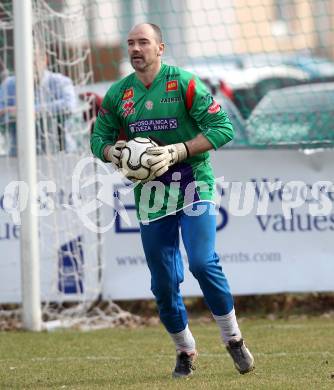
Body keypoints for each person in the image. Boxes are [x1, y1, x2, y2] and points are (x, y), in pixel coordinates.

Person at [91, 23, 254, 378]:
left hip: (194, 183)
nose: (136, 48)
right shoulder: (119, 94)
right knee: (163, 282)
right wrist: (113, 151)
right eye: (131, 43)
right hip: (151, 194)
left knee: (201, 261)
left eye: (143, 42)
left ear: (160, 48)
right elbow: (98, 139)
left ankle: (233, 338)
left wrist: (179, 150)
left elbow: (222, 128)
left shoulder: (183, 83)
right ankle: (185, 349)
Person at [0, 46, 77, 156]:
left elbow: (69, 106)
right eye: (24, 63)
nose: (29, 67)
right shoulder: (8, 85)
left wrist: (28, 111)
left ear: (44, 60)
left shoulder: (61, 82)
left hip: (60, 154)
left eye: (33, 62)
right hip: (18, 156)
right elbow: (2, 111)